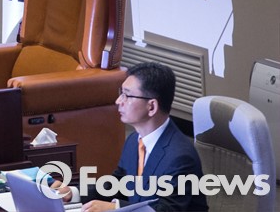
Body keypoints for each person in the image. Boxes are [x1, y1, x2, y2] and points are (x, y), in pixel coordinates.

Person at [57, 62, 208, 212]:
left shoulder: (180, 157)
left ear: (151, 107)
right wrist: (73, 192)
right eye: (121, 93)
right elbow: (117, 184)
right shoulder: (134, 140)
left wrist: (115, 208)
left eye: (127, 95)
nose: (118, 101)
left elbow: (166, 209)